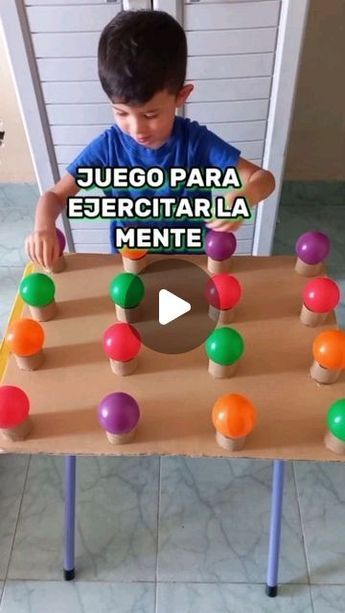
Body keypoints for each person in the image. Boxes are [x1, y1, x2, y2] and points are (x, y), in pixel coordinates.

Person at [25, 10, 275, 270]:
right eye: (121, 112)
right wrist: (43, 226)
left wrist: (243, 198)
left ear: (181, 95)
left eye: (150, 114)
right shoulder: (108, 148)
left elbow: (263, 179)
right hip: (128, 265)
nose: (136, 129)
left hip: (189, 263)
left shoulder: (196, 142)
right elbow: (55, 195)